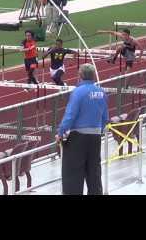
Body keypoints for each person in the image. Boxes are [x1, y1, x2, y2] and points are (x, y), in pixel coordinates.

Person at [56, 63, 108, 195]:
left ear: (80, 76)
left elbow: (70, 115)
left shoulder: (78, 92)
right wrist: (98, 131)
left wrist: (61, 133)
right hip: (95, 137)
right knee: (94, 173)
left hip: (78, 138)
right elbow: (105, 117)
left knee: (72, 175)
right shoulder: (102, 93)